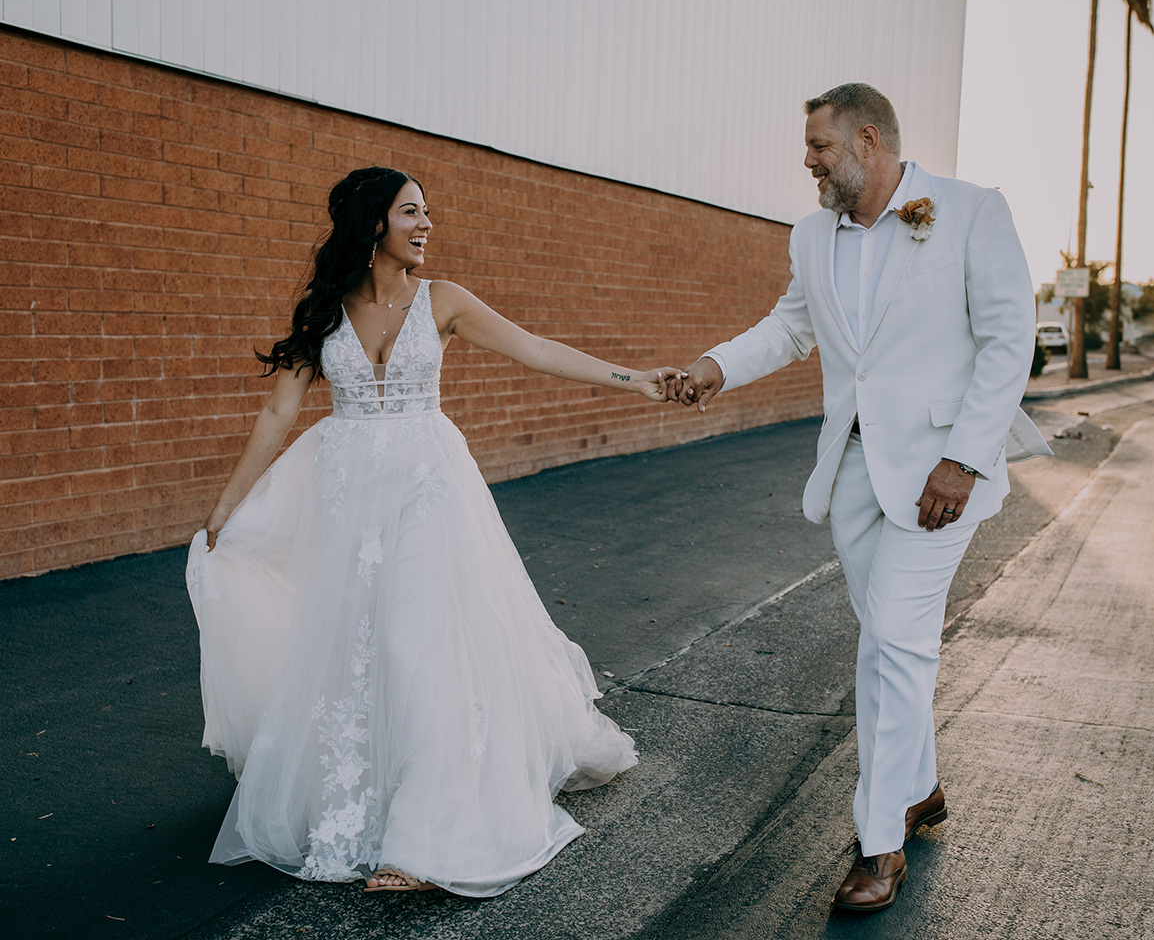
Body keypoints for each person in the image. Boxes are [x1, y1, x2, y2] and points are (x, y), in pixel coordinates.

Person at [186, 166, 680, 896]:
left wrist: (630, 378)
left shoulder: (442, 301)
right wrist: (227, 504)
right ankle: (361, 793)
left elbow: (535, 349)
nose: (426, 225)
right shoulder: (325, 310)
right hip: (348, 499)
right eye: (411, 212)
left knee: (419, 644)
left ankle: (421, 839)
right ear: (371, 222)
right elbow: (277, 414)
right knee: (362, 642)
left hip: (427, 489)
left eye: (428, 213)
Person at [669, 83, 1050, 912]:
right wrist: (712, 367)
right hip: (851, 475)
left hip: (938, 482)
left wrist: (964, 459)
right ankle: (920, 789)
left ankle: (880, 846)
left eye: (818, 147)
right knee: (889, 641)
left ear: (867, 140)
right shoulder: (812, 234)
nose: (806, 161)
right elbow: (790, 327)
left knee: (894, 645)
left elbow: (1006, 338)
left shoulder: (970, 211)